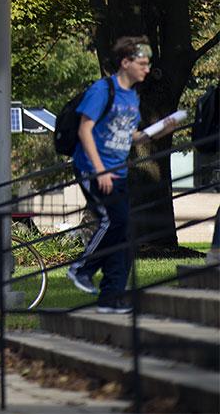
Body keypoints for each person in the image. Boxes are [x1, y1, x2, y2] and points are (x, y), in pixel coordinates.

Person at [68, 37, 175, 313]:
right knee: (113, 221)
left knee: (125, 232)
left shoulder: (131, 96)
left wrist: (160, 129)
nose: (147, 69)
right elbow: (84, 130)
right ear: (125, 63)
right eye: (142, 63)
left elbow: (131, 137)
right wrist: (100, 170)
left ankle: (110, 298)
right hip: (94, 169)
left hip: (118, 171)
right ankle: (81, 268)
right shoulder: (103, 90)